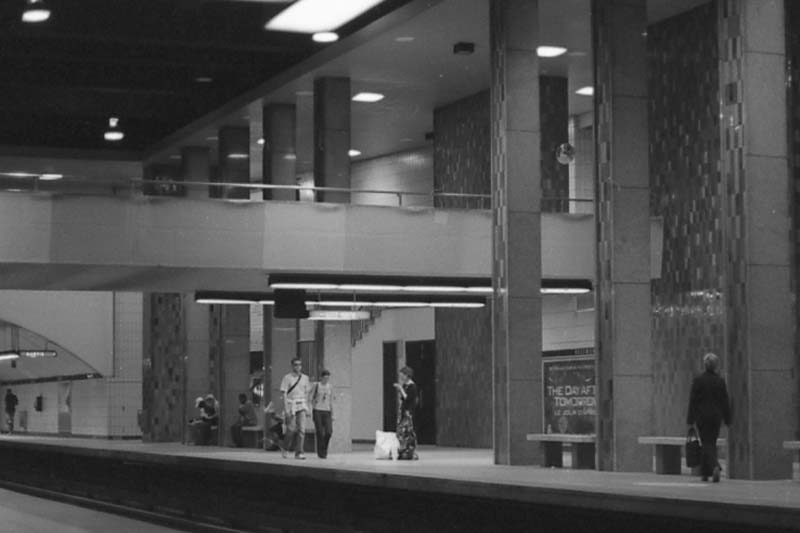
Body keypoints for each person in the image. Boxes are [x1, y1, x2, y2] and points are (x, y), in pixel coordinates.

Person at [687, 352, 731, 482]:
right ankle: (705, 473)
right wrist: (727, 418)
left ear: (705, 365)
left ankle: (714, 466)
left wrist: (690, 419)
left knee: (706, 443)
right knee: (711, 442)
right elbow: (725, 401)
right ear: (716, 365)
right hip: (716, 418)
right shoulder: (720, 381)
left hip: (702, 417)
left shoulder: (698, 380)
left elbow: (693, 401)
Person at [280, 358, 312, 459]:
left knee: (302, 429)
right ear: (292, 366)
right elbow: (284, 393)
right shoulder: (287, 378)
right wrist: (286, 409)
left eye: (299, 365)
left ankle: (299, 452)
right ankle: (285, 448)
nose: (298, 367)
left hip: (301, 405)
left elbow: (307, 393)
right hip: (291, 404)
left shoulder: (305, 378)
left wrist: (308, 408)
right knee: (290, 429)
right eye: (295, 365)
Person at [393, 366, 419, 460]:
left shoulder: (412, 386)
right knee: (401, 432)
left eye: (402, 375)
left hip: (409, 412)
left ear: (407, 375)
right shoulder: (405, 385)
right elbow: (403, 399)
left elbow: (408, 399)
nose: (401, 377)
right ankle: (403, 450)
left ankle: (411, 451)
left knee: (408, 432)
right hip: (403, 411)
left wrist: (400, 389)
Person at [311, 370, 334, 458]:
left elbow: (331, 400)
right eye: (325, 378)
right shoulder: (316, 385)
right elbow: (311, 397)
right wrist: (311, 408)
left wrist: (333, 413)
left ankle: (324, 448)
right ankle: (321, 453)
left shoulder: (330, 387)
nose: (326, 380)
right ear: (321, 377)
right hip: (317, 410)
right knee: (320, 432)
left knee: (329, 432)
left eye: (328, 378)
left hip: (327, 411)